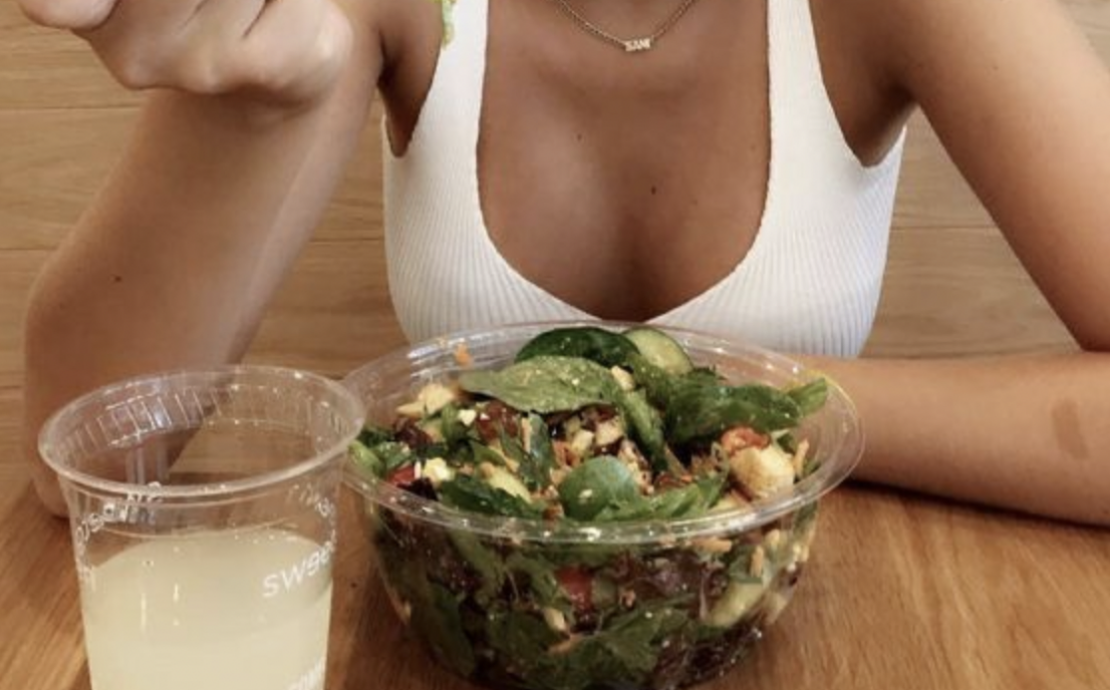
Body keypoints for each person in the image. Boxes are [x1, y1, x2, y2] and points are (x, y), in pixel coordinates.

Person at [16, 0, 1110, 525]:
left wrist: (699, 397)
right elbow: (86, 460)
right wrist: (261, 108)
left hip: (795, 615)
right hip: (474, 619)